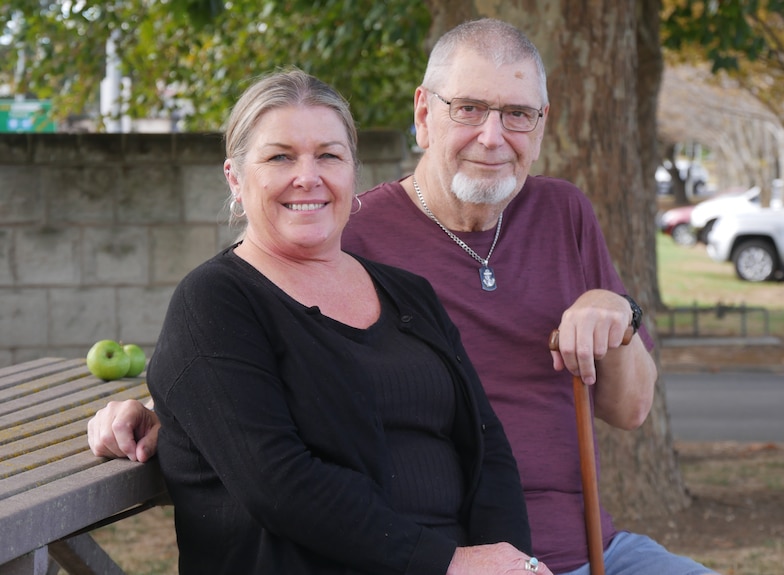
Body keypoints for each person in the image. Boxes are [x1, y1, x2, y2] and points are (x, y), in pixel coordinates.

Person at [90, 18, 718, 575]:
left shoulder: (559, 214)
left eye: (517, 113)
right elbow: (241, 379)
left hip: (568, 550)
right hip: (411, 551)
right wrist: (159, 405)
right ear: (423, 114)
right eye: (468, 108)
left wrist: (618, 312)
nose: (493, 136)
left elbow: (617, 412)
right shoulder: (342, 230)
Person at [119, 68, 551, 575]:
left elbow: (486, 447)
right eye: (280, 156)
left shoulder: (408, 293)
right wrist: (447, 563)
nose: (309, 176)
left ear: (352, 172)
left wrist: (510, 562)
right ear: (235, 178)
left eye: (329, 155)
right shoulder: (214, 303)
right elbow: (278, 484)